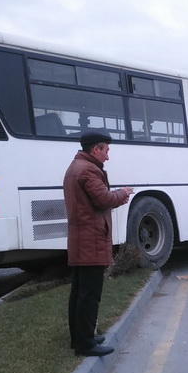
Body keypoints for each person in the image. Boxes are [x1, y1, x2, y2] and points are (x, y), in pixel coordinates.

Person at [64, 131, 134, 357]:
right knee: (89, 294)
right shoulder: (88, 170)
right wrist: (122, 194)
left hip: (82, 239)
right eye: (106, 150)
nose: (108, 156)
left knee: (80, 292)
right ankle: (86, 344)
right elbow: (104, 199)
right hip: (90, 240)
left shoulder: (77, 167)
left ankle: (81, 337)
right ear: (96, 149)